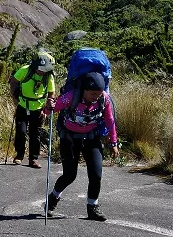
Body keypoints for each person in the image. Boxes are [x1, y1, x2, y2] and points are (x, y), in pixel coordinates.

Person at [46, 71, 119, 221]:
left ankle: (92, 207)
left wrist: (113, 143)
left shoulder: (104, 99)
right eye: (93, 93)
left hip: (91, 139)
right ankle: (53, 198)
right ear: (84, 90)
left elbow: (110, 120)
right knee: (69, 175)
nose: (96, 97)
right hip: (70, 139)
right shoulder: (71, 96)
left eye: (98, 93)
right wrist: (49, 106)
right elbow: (50, 110)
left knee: (96, 175)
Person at [8, 50, 56, 169]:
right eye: (40, 69)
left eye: (44, 70)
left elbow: (51, 93)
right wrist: (15, 98)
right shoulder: (25, 70)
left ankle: (33, 159)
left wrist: (47, 109)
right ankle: (19, 155)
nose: (41, 71)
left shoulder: (48, 76)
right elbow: (13, 81)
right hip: (23, 106)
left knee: (36, 135)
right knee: (21, 131)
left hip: (39, 109)